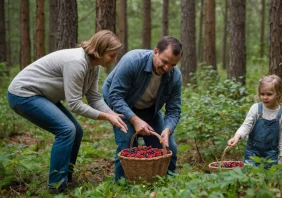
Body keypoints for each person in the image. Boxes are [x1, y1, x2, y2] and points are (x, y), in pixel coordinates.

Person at [7, 30, 128, 193]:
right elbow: (75, 104)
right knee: (66, 130)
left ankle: (66, 178)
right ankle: (57, 187)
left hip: (43, 96)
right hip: (23, 94)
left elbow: (94, 97)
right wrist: (106, 117)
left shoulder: (94, 67)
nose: (114, 60)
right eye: (111, 55)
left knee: (76, 131)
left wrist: (112, 114)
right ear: (99, 50)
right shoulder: (77, 62)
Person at [102, 36, 183, 181]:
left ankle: (166, 181)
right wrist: (134, 119)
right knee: (127, 142)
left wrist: (167, 129)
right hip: (121, 105)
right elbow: (115, 96)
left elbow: (174, 110)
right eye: (165, 62)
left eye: (173, 64)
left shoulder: (175, 76)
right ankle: (122, 183)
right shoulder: (132, 61)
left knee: (169, 147)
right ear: (156, 52)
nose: (167, 68)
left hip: (149, 109)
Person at [227, 75, 282, 168]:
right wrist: (237, 136)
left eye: (269, 94)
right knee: (250, 174)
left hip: (271, 153)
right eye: (262, 94)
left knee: (268, 178)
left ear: (278, 94)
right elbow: (246, 125)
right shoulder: (256, 108)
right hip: (252, 151)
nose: (265, 97)